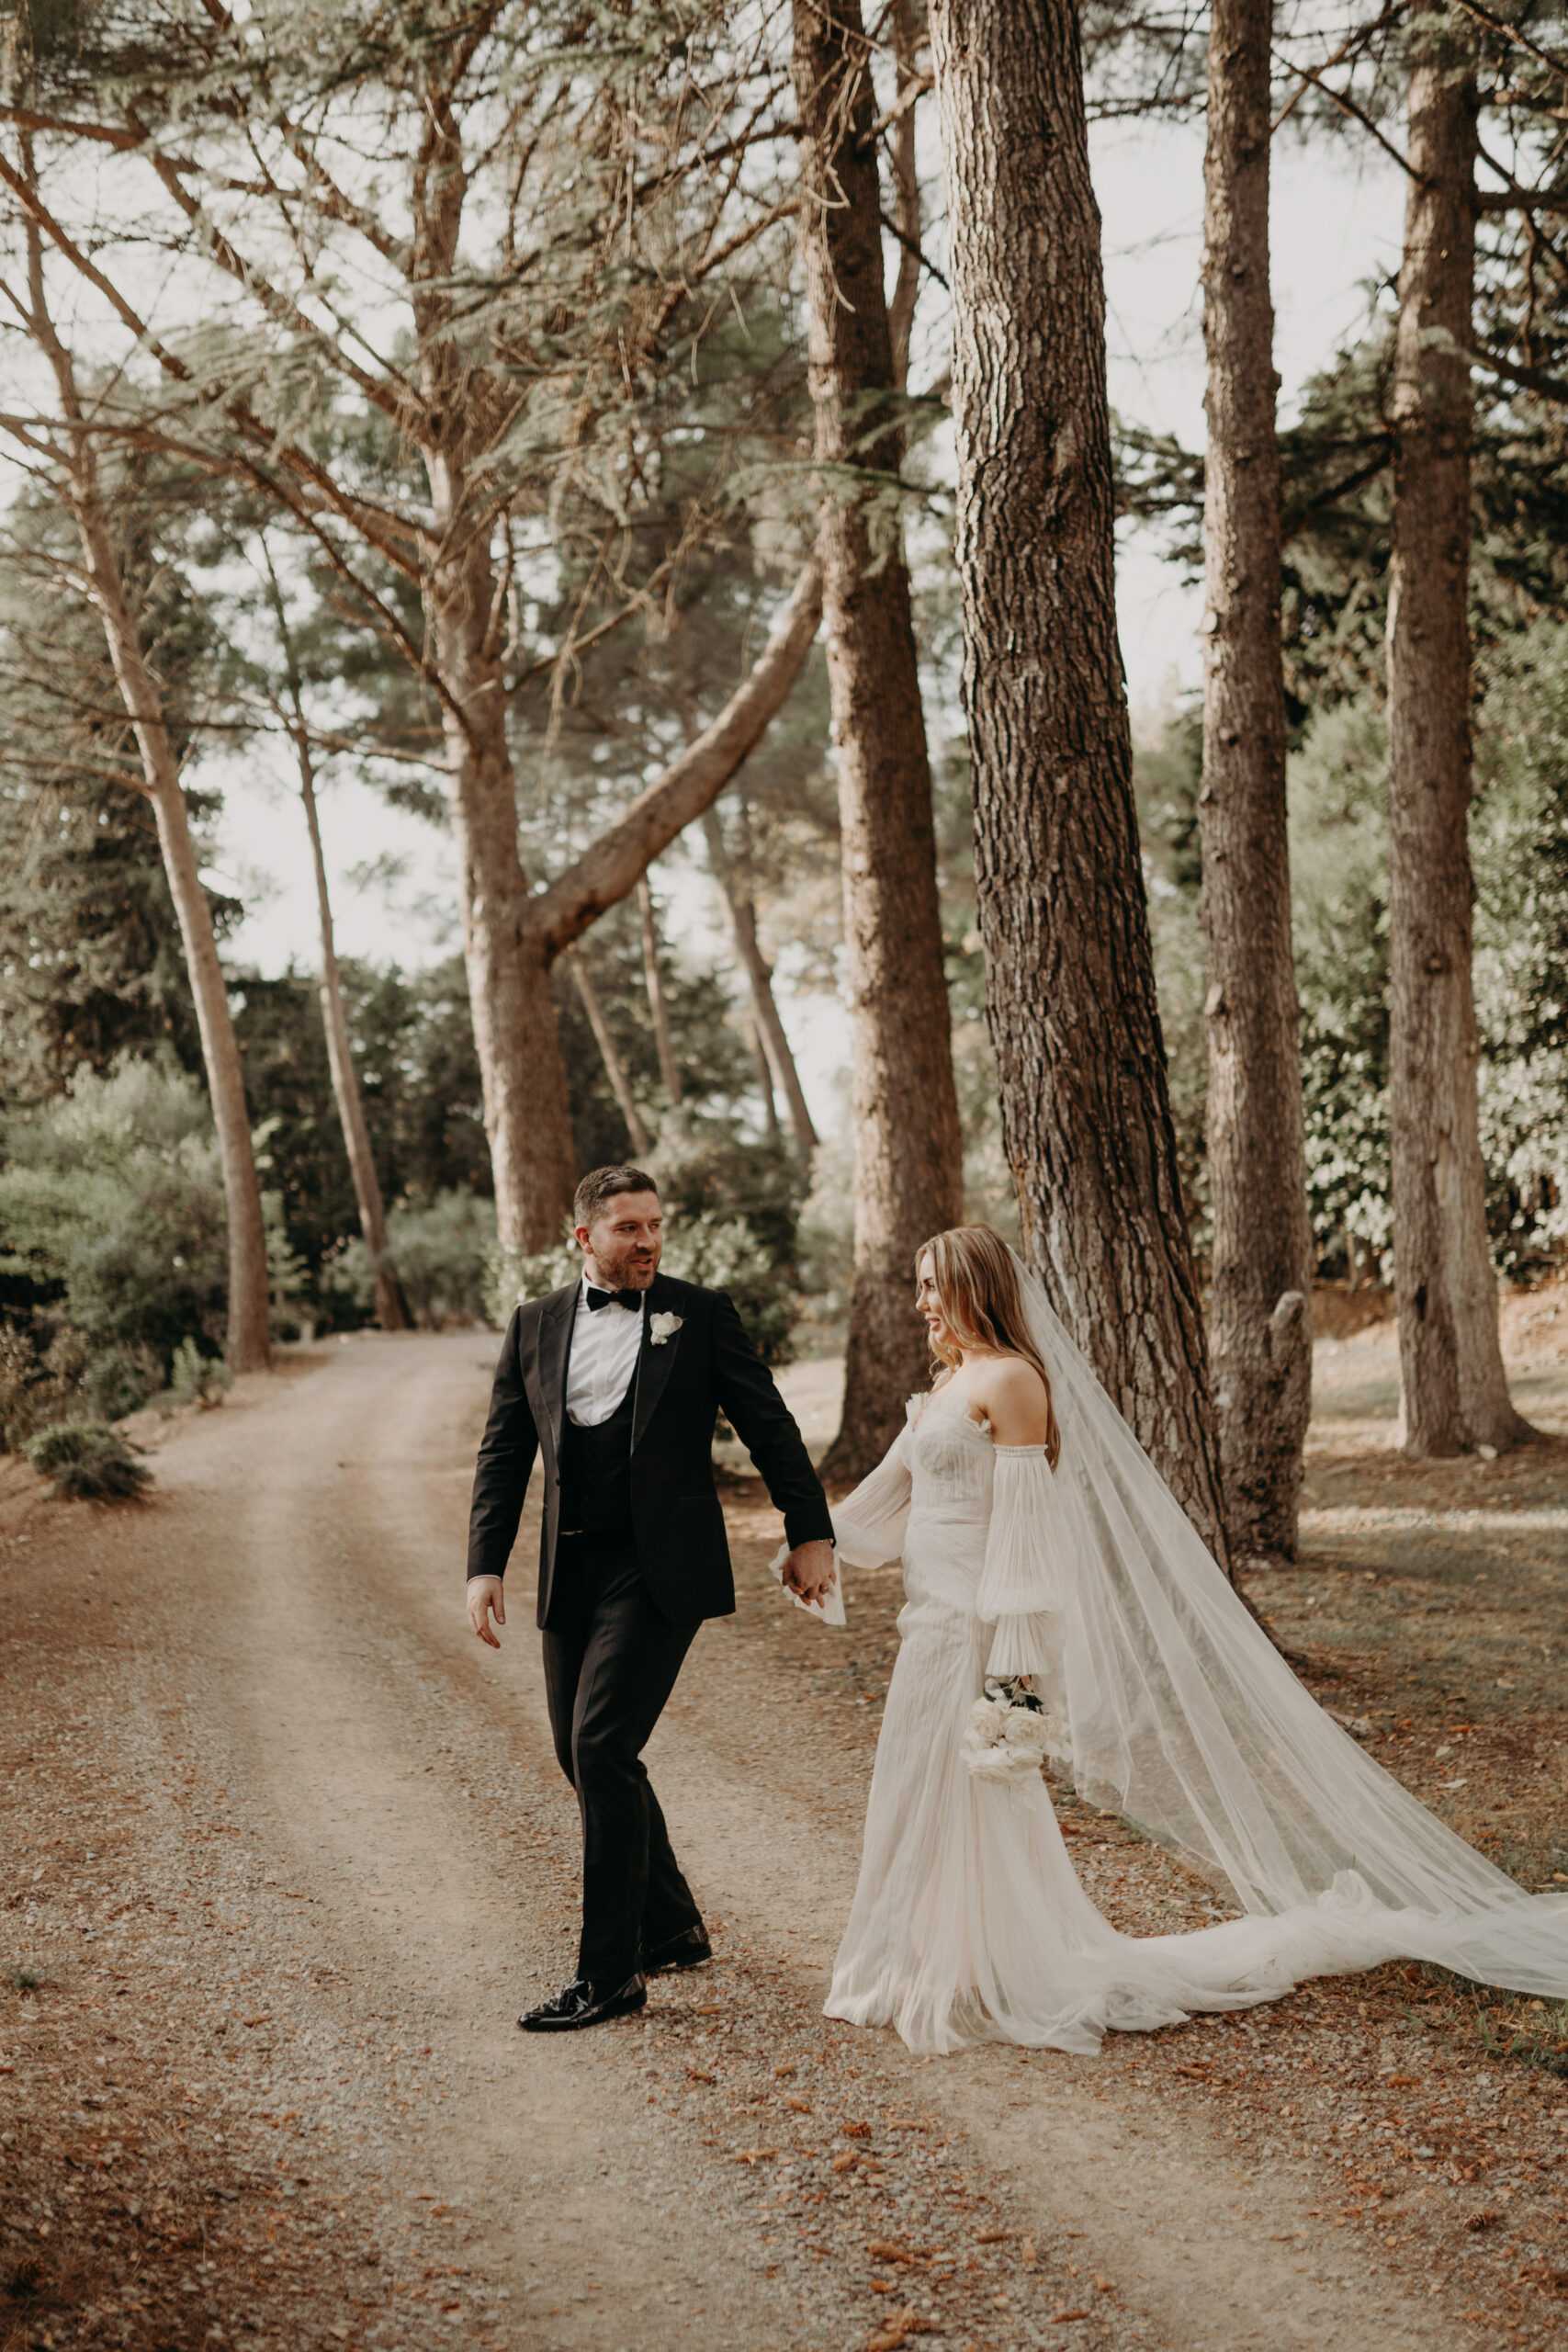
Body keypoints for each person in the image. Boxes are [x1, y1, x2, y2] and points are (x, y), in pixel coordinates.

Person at [783, 1224, 1568, 2057]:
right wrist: (811, 1546)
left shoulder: (1012, 1382)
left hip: (977, 1628)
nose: (920, 1302)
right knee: (914, 1787)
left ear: (977, 1286)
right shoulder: (947, 1384)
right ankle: (918, 1959)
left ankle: (987, 1967)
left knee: (974, 1792)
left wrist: (1014, 1680)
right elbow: (883, 1500)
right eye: (918, 1285)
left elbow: (1022, 1541)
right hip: (925, 1623)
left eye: (933, 1285)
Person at [465, 1164, 836, 2031]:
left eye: (656, 1226)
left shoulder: (697, 1314)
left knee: (600, 1745)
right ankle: (669, 1923)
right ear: (583, 1237)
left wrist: (808, 1530)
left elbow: (768, 1422)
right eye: (628, 1228)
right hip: (573, 1569)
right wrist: (484, 1565)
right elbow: (501, 1454)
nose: (647, 1243)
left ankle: (610, 1973)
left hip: (659, 1568)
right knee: (579, 1752)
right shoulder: (533, 1325)